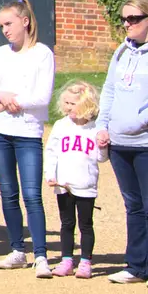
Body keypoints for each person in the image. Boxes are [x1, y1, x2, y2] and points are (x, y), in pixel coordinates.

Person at [0, 0, 56, 275]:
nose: (5, 30)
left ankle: (41, 255)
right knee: (8, 193)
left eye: (9, 23)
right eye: (1, 26)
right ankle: (16, 250)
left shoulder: (42, 54)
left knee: (32, 195)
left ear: (25, 21)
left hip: (27, 133)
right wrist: (1, 97)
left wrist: (12, 102)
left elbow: (42, 97)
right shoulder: (0, 54)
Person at [96, 0, 148, 288]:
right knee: (133, 206)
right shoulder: (122, 52)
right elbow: (109, 89)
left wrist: (140, 121)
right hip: (120, 142)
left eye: (133, 19)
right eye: (123, 19)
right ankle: (135, 265)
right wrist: (103, 124)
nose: (127, 24)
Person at [45, 81, 105, 279]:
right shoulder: (61, 126)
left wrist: (103, 145)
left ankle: (86, 262)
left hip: (86, 185)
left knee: (85, 224)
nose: (68, 107)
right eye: (67, 103)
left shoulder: (95, 129)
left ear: (86, 105)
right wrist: (50, 174)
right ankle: (67, 260)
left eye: (73, 104)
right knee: (66, 223)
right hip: (64, 184)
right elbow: (51, 152)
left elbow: (101, 158)